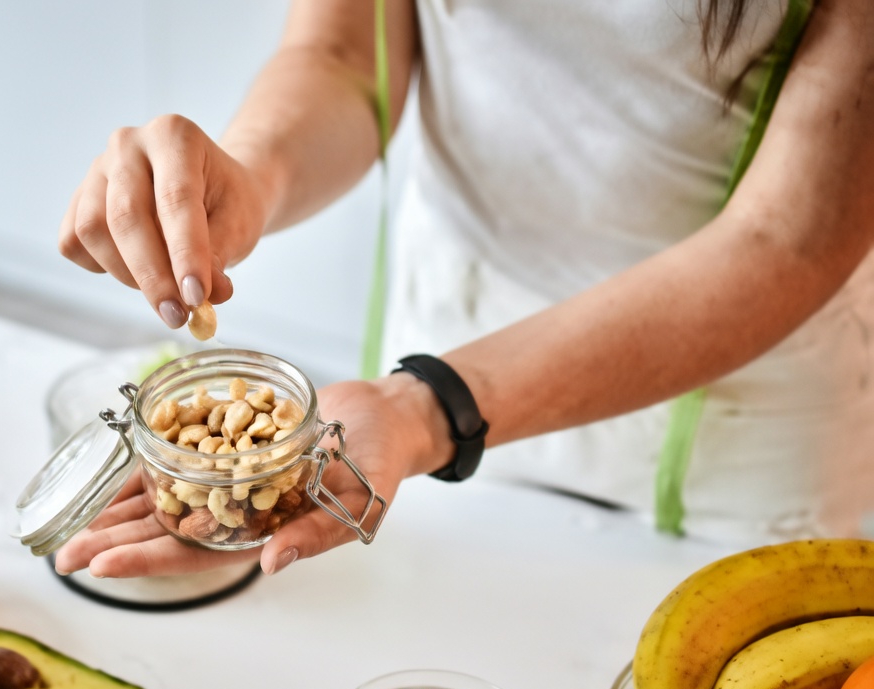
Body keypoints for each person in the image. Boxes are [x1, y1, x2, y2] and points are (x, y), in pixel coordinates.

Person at [53, 0, 874, 579]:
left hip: (731, 410)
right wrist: (248, 175)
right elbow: (343, 51)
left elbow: (789, 238)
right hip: (438, 346)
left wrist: (427, 408)